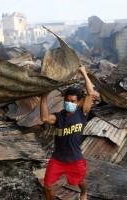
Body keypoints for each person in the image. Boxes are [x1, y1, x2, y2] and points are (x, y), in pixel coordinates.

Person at [40, 65, 95, 200]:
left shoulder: (82, 113)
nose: (69, 103)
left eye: (72, 101)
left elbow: (91, 93)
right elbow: (44, 118)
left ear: (78, 102)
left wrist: (83, 73)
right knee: (47, 186)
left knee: (79, 181)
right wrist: (44, 96)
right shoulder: (58, 117)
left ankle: (83, 193)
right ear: (64, 100)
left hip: (75, 159)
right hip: (57, 159)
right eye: (67, 100)